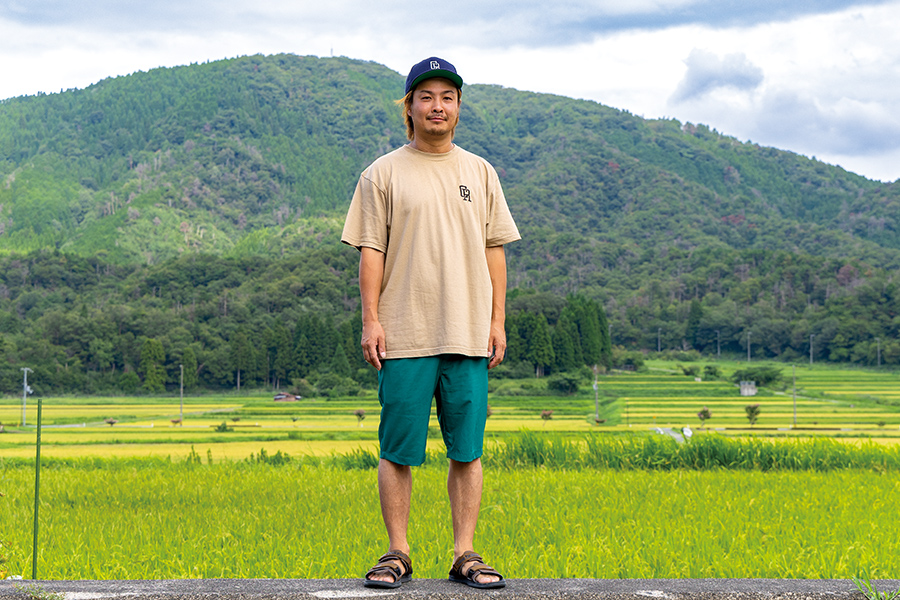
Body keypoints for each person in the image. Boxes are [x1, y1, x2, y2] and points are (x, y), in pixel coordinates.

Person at [341, 56, 520, 590]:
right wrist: (371, 320)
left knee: (467, 449)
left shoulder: (480, 172)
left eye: (447, 96)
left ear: (458, 107)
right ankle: (397, 551)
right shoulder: (383, 173)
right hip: (404, 332)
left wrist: (497, 320)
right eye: (426, 97)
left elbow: (495, 251)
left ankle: (466, 553)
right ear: (410, 107)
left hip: (467, 331)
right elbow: (370, 251)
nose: (437, 106)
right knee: (397, 448)